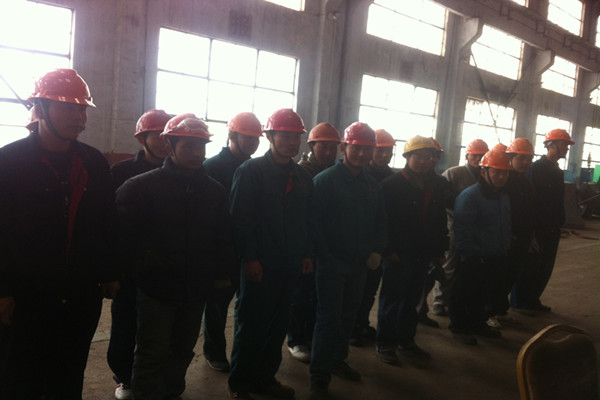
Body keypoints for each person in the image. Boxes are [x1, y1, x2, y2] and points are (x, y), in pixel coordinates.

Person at [0, 68, 120, 399]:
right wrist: (2, 289)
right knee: (19, 377)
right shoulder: (8, 162)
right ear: (40, 109)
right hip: (26, 298)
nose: (79, 117)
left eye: (82, 109)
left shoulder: (94, 162)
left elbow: (107, 221)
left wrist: (111, 271)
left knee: (68, 374)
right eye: (68, 107)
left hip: (80, 296)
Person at [116, 113, 235, 400]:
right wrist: (124, 276)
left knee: (183, 349)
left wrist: (221, 274)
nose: (197, 153)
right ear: (170, 145)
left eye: (201, 146)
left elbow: (223, 238)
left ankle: (171, 392)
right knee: (152, 351)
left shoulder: (215, 192)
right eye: (188, 146)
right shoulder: (140, 188)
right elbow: (121, 241)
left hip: (195, 289)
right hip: (155, 289)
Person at [227, 108, 313, 400]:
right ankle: (240, 384)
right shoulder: (251, 171)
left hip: (289, 264)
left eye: (296, 137)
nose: (292, 142)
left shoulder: (301, 177)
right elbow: (241, 219)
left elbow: (307, 221)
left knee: (278, 325)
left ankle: (265, 379)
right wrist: (250, 258)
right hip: (260, 263)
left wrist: (306, 254)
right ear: (270, 137)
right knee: (252, 324)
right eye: (285, 136)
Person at [309, 122, 387, 400]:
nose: (362, 154)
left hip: (360, 264)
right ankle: (319, 376)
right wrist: (324, 255)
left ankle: (337, 360)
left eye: (367, 149)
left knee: (348, 316)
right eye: (356, 148)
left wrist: (377, 250)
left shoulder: (372, 185)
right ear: (344, 148)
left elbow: (380, 222)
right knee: (328, 319)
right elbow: (313, 224)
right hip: (332, 263)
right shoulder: (325, 181)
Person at [107, 109, 171, 400]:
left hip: (165, 267)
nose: (165, 142)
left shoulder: (182, 173)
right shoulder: (120, 173)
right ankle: (124, 378)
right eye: (158, 136)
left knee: (160, 330)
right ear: (142, 139)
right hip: (129, 267)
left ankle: (156, 377)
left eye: (169, 136)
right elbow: (108, 224)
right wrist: (112, 269)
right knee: (125, 325)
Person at [375, 136, 448, 365]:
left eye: (428, 157)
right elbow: (381, 221)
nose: (423, 161)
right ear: (407, 157)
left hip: (422, 254)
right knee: (391, 300)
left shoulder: (437, 185)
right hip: (398, 254)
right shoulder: (391, 185)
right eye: (418, 156)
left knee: (412, 301)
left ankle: (406, 340)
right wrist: (387, 249)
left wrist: (440, 249)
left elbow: (440, 220)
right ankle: (385, 343)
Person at [202, 112, 262, 372]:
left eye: (256, 139)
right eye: (247, 138)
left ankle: (244, 355)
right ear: (232, 136)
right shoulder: (212, 167)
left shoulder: (257, 169)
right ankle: (214, 352)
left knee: (247, 306)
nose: (252, 143)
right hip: (222, 249)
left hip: (248, 247)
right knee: (217, 304)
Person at [288, 122, 340, 363]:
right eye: (323, 147)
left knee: (319, 296)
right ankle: (296, 339)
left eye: (333, 147)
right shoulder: (301, 174)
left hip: (327, 245)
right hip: (305, 245)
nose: (329, 152)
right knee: (301, 294)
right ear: (311, 146)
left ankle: (311, 336)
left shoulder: (337, 173)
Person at [448, 149, 512, 345]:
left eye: (504, 173)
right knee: (464, 293)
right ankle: (459, 327)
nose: (501, 177)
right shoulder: (470, 196)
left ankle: (478, 324)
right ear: (484, 172)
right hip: (474, 256)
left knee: (483, 294)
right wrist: (467, 253)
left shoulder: (502, 195)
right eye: (496, 172)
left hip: (494, 254)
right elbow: (462, 228)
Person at [512, 129, 574, 314]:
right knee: (530, 265)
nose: (567, 148)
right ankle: (519, 302)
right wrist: (531, 231)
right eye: (564, 144)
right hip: (537, 227)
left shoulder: (557, 171)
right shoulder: (535, 169)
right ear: (551, 145)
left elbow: (557, 201)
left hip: (552, 227)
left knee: (544, 266)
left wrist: (559, 222)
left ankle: (532, 299)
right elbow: (530, 202)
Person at [431, 139, 489, 316]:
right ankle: (440, 301)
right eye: (474, 155)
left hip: (474, 228)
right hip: (453, 225)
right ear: (467, 155)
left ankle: (453, 300)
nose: (478, 159)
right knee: (449, 265)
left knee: (464, 268)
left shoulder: (486, 175)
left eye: (481, 156)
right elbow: (441, 200)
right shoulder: (454, 173)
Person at [351, 128, 395, 346]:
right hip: (357, 245)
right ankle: (350, 328)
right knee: (354, 292)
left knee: (370, 290)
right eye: (379, 151)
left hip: (378, 245)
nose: (384, 156)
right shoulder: (359, 174)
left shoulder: (392, 178)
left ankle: (361, 323)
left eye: (388, 151)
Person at [497, 138, 535, 326]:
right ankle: (489, 312)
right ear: (510, 158)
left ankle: (500, 310)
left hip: (522, 238)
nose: (525, 163)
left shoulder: (525, 182)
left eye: (529, 159)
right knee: (498, 276)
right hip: (505, 238)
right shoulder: (503, 181)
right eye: (521, 158)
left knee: (510, 276)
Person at [416, 137, 451, 328]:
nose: (432, 160)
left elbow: (441, 216)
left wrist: (441, 245)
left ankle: (420, 311)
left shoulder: (440, 182)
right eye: (428, 156)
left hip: (431, 241)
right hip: (412, 244)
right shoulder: (407, 181)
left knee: (427, 278)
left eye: (435, 156)